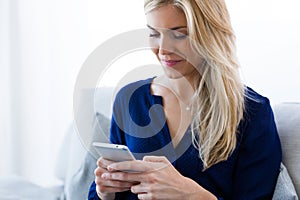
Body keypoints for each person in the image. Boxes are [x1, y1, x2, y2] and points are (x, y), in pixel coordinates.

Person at [88, 0, 282, 199]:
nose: (162, 50)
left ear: (210, 34)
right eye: (154, 34)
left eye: (179, 34)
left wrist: (191, 194)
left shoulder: (252, 112)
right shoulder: (130, 99)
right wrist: (105, 193)